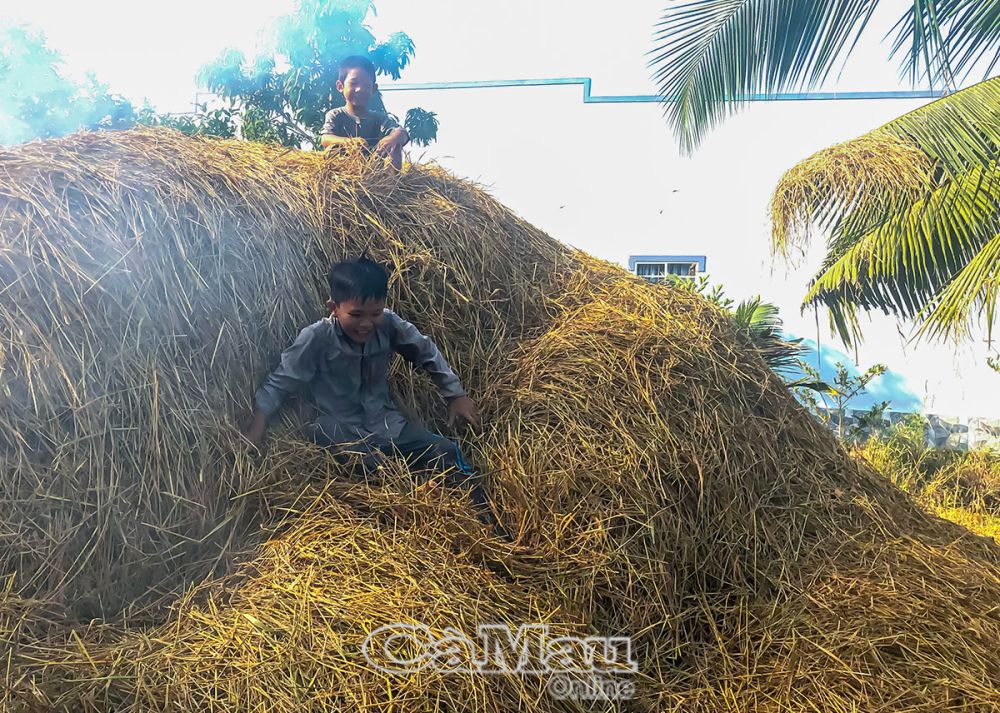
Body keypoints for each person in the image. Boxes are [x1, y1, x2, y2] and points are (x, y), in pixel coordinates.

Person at [244, 257, 507, 536]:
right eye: (356, 315)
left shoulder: (389, 325)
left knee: (446, 450)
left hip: (387, 424)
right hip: (344, 428)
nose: (367, 324)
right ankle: (406, 493)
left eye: (375, 313)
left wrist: (456, 395)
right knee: (324, 430)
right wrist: (256, 427)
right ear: (334, 308)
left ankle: (490, 523)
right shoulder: (316, 337)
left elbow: (425, 351)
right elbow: (281, 380)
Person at [320, 56, 409, 171]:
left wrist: (392, 138)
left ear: (374, 89)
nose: (359, 89)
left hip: (377, 177)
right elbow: (325, 139)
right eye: (353, 83)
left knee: (395, 145)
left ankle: (393, 183)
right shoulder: (336, 115)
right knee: (331, 149)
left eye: (366, 85)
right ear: (340, 86)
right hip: (343, 175)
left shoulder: (379, 119)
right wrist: (349, 142)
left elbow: (402, 133)